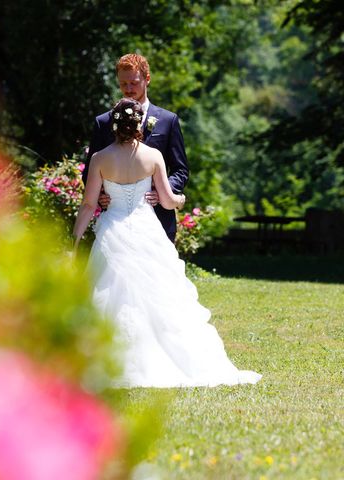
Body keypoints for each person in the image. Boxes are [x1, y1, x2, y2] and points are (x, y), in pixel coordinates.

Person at [72, 98, 261, 388]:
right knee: (158, 295)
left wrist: (75, 240)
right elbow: (170, 200)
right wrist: (181, 199)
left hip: (113, 230)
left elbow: (88, 205)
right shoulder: (152, 156)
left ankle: (108, 360)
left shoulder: (100, 158)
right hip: (146, 229)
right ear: (138, 126)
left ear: (114, 125)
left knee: (111, 293)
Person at [82, 53, 188, 242]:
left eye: (134, 83)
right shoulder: (103, 122)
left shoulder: (168, 120)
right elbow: (90, 169)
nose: (128, 89)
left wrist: (163, 192)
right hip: (116, 224)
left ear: (147, 79)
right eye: (123, 84)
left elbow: (180, 169)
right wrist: (100, 194)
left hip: (159, 217)